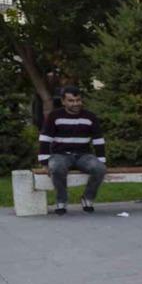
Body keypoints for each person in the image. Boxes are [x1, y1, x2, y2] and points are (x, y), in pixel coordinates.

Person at [37, 86, 107, 215]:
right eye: (71, 100)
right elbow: (45, 139)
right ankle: (61, 201)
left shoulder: (90, 117)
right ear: (63, 101)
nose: (75, 103)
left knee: (100, 169)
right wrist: (44, 162)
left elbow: (98, 140)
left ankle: (88, 198)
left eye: (78, 100)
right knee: (56, 168)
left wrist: (101, 160)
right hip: (60, 155)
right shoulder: (54, 116)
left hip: (83, 155)